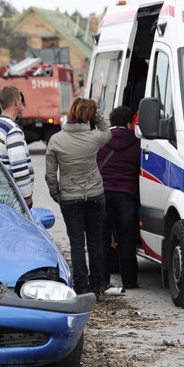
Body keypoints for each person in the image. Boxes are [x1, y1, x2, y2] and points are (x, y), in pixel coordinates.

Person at [45, 98, 111, 296]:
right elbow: (108, 130)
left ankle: (80, 286)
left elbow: (50, 174)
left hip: (70, 196)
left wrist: (57, 193)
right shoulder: (94, 138)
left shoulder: (56, 140)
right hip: (95, 195)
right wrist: (97, 115)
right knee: (96, 241)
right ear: (89, 116)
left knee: (76, 244)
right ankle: (97, 284)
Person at [98, 106, 140, 290]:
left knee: (103, 240)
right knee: (127, 240)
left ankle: (103, 280)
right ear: (130, 123)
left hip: (103, 194)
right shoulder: (138, 143)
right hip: (127, 195)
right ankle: (129, 281)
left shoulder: (100, 140)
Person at [0, 85, 34, 208]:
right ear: (16, 102)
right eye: (21, 101)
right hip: (14, 198)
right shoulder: (12, 130)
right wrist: (27, 196)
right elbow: (19, 168)